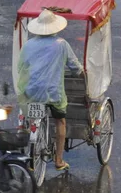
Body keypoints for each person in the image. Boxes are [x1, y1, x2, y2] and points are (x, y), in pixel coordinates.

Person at [17, 9, 84, 171]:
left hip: (32, 91)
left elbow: (21, 67)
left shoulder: (28, 45)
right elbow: (75, 67)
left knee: (31, 119)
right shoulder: (61, 44)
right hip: (54, 93)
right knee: (60, 121)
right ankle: (59, 160)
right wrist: (80, 71)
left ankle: (29, 148)